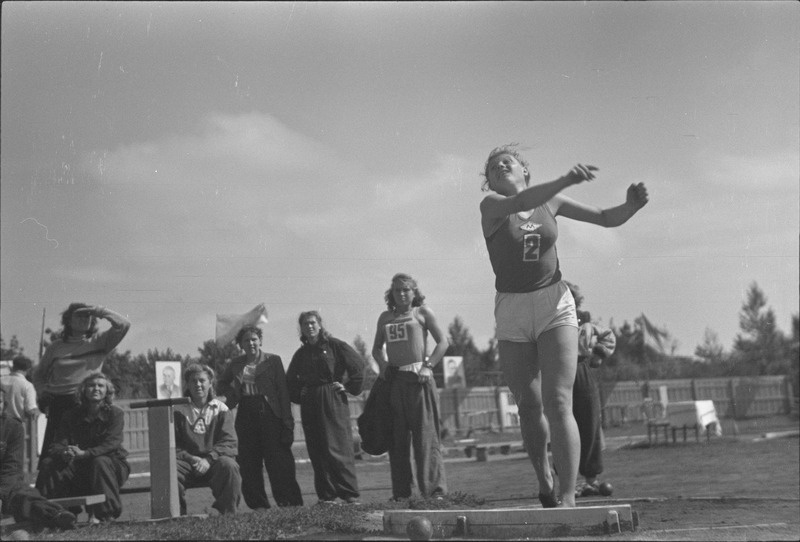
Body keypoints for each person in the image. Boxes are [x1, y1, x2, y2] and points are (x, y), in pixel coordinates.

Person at [479, 144, 648, 507]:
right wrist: (565, 179)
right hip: (512, 308)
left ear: (525, 171)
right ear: (489, 182)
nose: (500, 166)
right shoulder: (491, 206)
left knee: (558, 401)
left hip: (554, 301)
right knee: (528, 404)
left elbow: (604, 216)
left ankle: (570, 496)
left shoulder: (550, 203)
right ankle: (545, 479)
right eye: (493, 168)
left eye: (508, 162)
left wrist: (631, 207)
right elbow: (518, 201)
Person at [371, 273, 449, 500]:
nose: (402, 294)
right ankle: (402, 494)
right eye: (397, 290)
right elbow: (376, 348)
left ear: (414, 292)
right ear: (391, 294)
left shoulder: (422, 313)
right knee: (397, 441)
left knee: (426, 439)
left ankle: (434, 492)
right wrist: (383, 364)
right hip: (395, 383)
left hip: (419, 381)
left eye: (406, 290)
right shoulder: (385, 317)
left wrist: (429, 366)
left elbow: (443, 342)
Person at [33, 303, 130, 465]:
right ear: (68, 321)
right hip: (59, 405)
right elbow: (38, 374)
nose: (84, 319)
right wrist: (43, 393)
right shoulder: (55, 347)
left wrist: (99, 311)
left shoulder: (100, 342)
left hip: (88, 403)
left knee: (86, 455)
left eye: (88, 316)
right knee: (55, 456)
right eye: (79, 315)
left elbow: (124, 325)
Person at [218, 325, 303, 509]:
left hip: (271, 414)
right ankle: (259, 506)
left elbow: (283, 393)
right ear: (241, 344)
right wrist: (231, 395)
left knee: (279, 462)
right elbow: (222, 383)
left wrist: (287, 423)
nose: (251, 343)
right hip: (246, 414)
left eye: (254, 339)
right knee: (248, 462)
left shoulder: (273, 361)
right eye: (246, 340)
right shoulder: (236, 364)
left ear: (260, 341)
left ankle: (289, 504)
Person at [287, 311, 364, 505]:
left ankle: (349, 494)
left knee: (339, 446)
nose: (309, 327)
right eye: (305, 324)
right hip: (310, 402)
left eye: (313, 323)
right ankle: (327, 495)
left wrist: (346, 386)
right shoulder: (301, 354)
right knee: (317, 448)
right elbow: (290, 380)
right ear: (301, 329)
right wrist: (300, 394)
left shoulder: (335, 345)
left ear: (320, 325)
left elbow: (358, 365)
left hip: (332, 398)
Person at [36, 373, 130, 523]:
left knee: (99, 462)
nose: (96, 388)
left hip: (111, 465)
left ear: (107, 390)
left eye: (101, 385)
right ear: (83, 390)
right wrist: (64, 452)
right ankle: (52, 514)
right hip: (79, 465)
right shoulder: (70, 415)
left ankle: (107, 515)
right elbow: (58, 443)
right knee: (49, 463)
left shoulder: (115, 413)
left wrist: (86, 453)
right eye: (91, 385)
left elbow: (111, 444)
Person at [564, 282, 617, 498]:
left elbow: (608, 336)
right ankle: (568, 483)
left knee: (590, 424)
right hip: (557, 370)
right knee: (562, 425)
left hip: (581, 369)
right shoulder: (546, 320)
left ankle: (591, 480)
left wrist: (598, 354)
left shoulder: (584, 320)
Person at [0, 388, 77, 530]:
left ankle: (56, 515)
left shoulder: (13, 427)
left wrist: (1, 494)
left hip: (5, 482)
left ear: (4, 405)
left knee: (24, 493)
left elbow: (12, 468)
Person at [173, 363, 241, 516]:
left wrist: (208, 459)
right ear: (187, 384)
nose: (198, 384)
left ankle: (225, 513)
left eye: (202, 380)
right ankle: (176, 515)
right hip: (188, 463)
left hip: (214, 462)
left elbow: (229, 442)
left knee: (230, 465)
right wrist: (191, 458)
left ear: (210, 383)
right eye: (193, 381)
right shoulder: (177, 410)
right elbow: (173, 445)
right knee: (170, 469)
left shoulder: (221, 408)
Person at [0, 356, 40, 422]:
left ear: (13, 366)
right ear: (28, 369)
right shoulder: (27, 385)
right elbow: (31, 410)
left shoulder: (1, 380)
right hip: (16, 424)